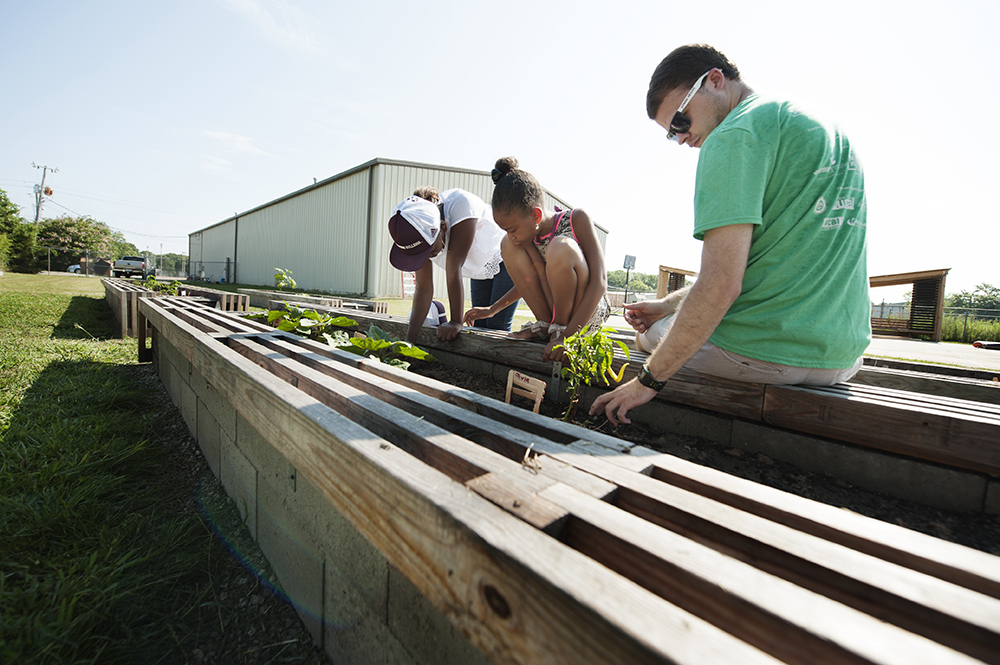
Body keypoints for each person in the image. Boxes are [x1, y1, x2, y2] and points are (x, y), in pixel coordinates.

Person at [591, 44, 870, 426]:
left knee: (652, 337)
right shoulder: (821, 125)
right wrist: (666, 304)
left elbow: (722, 282)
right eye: (671, 134)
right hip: (841, 359)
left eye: (680, 121)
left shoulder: (734, 133)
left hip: (761, 355)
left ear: (715, 81)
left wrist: (646, 382)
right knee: (667, 320)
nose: (681, 138)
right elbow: (763, 266)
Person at [465, 157, 610, 362]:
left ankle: (558, 330)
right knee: (507, 244)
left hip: (585, 315)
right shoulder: (527, 237)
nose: (511, 234)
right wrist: (492, 309)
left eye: (512, 229)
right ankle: (545, 325)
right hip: (554, 316)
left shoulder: (577, 219)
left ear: (535, 214)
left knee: (559, 247)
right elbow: (528, 283)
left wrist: (567, 336)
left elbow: (599, 283)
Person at [388, 187, 518, 343]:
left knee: (497, 325)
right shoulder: (415, 231)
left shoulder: (461, 205)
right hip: (478, 265)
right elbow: (423, 288)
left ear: (443, 227)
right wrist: (410, 340)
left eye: (429, 251)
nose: (427, 257)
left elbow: (453, 268)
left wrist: (456, 321)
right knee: (480, 325)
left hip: (506, 256)